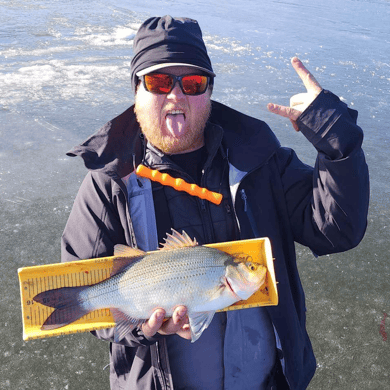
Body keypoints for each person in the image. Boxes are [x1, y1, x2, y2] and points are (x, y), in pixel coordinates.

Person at [61, 15, 369, 390]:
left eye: (192, 83)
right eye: (158, 82)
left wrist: (335, 134)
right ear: (136, 91)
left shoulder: (260, 160)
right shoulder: (108, 183)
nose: (176, 96)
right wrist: (141, 326)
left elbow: (337, 230)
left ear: (209, 91)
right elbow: (83, 292)